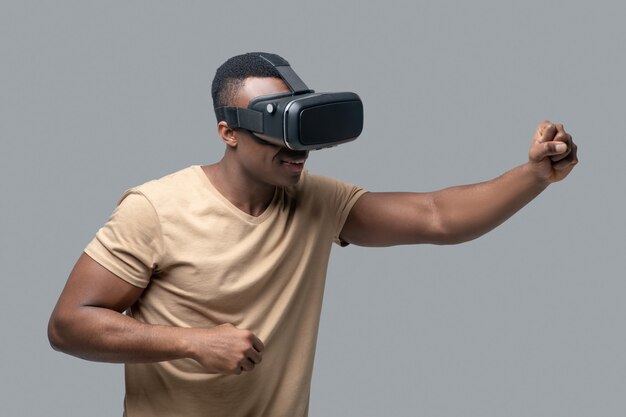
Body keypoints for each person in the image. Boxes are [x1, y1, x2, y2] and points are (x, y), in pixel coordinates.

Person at [48, 52, 578, 417]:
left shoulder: (315, 199)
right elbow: (68, 325)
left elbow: (437, 216)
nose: (296, 149)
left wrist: (534, 174)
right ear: (227, 132)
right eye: (275, 128)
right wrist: (190, 343)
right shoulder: (155, 209)